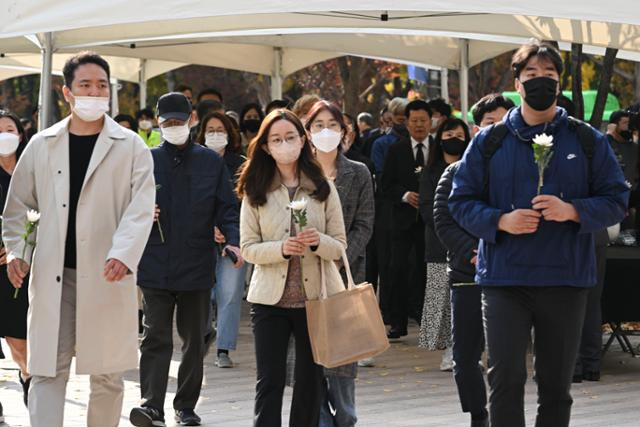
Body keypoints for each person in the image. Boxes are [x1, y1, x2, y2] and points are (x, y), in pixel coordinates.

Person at [449, 40, 629, 427]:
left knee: (556, 385)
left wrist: (574, 210)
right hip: (504, 279)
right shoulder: (490, 140)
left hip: (564, 278)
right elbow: (459, 200)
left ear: (561, 82)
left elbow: (617, 200)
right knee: (505, 380)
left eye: (549, 75)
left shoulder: (586, 139)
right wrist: (499, 220)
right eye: (531, 75)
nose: (541, 82)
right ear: (517, 81)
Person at [3, 51, 155, 427]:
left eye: (101, 85)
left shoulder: (131, 146)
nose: (94, 92)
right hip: (54, 275)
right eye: (85, 85)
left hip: (108, 275)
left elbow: (141, 208)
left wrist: (124, 253)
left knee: (107, 374)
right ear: (66, 92)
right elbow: (20, 205)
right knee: (46, 370)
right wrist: (19, 252)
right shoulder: (42, 144)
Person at [130, 93, 240, 427]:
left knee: (196, 338)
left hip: (196, 263)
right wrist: (141, 212)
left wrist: (232, 241)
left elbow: (227, 207)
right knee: (154, 337)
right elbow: (124, 204)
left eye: (180, 121)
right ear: (160, 124)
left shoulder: (210, 162)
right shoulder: (145, 160)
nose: (175, 127)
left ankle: (186, 406)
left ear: (192, 120)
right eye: (169, 123)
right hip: (155, 262)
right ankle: (151, 405)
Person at [237, 109, 347, 427]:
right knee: (269, 381)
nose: (284, 144)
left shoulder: (322, 187)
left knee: (310, 382)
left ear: (303, 140)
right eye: (276, 139)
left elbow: (340, 245)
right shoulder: (255, 190)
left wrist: (317, 242)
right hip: (269, 300)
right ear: (266, 147)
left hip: (315, 299)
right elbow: (248, 248)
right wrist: (282, 249)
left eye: (290, 137)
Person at [306, 101, 375, 427]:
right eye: (318, 125)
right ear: (307, 132)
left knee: (343, 359)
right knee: (309, 357)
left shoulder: (358, 172)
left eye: (332, 125)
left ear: (344, 132)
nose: (325, 132)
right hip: (303, 276)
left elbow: (365, 223)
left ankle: (345, 418)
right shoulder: (298, 174)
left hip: (345, 273)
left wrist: (340, 254)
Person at [433, 158, 489, 427]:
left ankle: (438, 341)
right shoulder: (447, 169)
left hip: (470, 260)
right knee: (434, 309)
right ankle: (434, 341)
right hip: (436, 246)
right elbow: (437, 215)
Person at [418, 118, 471, 372]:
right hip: (438, 243)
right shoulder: (431, 171)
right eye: (449, 133)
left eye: (459, 134)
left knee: (461, 301)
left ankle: (456, 350)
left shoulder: (474, 166)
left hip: (466, 243)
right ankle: (440, 346)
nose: (454, 138)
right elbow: (428, 208)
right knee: (438, 296)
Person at [196, 111, 248, 368]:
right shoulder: (193, 160)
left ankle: (223, 348)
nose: (215, 134)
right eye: (210, 129)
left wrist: (230, 233)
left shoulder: (241, 164)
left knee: (229, 293)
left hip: (235, 238)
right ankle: (204, 335)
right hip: (199, 240)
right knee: (204, 293)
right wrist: (208, 227)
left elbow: (248, 205)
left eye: (220, 129)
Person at [382, 99, 431, 339]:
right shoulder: (396, 149)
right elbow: (386, 185)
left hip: (432, 222)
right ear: (407, 123)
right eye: (414, 121)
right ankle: (398, 323)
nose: (419, 125)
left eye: (423, 120)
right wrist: (404, 195)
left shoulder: (440, 148)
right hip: (402, 221)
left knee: (432, 269)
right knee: (398, 269)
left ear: (431, 122)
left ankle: (431, 325)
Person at [0, 110, 30, 406]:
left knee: (18, 337)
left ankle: (27, 374)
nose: (4, 135)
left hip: (24, 265)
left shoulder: (31, 171)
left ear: (20, 135)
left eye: (9, 129)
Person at [371, 97, 409, 175]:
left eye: (407, 120)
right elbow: (379, 172)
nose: (404, 124)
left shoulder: (416, 140)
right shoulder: (381, 143)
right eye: (400, 120)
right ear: (391, 119)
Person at [607, 110, 638, 187]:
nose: (628, 126)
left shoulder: (634, 147)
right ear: (614, 126)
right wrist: (609, 135)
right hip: (613, 191)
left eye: (629, 123)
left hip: (632, 193)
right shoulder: (607, 144)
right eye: (625, 123)